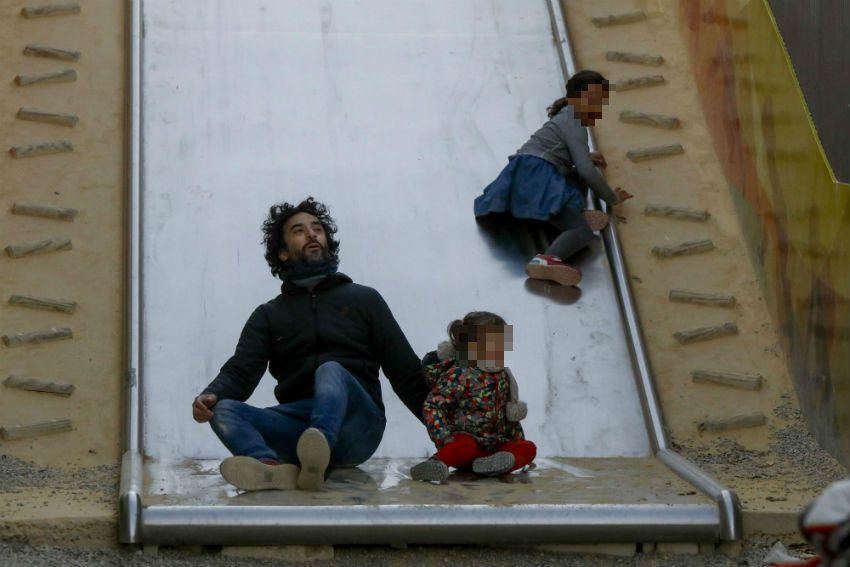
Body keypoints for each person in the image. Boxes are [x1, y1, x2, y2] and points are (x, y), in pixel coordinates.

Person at [192, 198, 429, 492]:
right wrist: (213, 394)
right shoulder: (269, 315)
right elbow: (242, 370)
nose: (312, 234)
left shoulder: (364, 300)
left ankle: (319, 446)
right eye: (299, 230)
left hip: (357, 426)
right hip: (298, 424)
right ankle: (270, 468)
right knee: (226, 411)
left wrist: (449, 435)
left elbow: (406, 372)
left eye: (317, 228)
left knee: (331, 370)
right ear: (282, 253)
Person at [474, 70, 633, 286]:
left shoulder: (566, 118)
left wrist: (585, 157)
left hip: (529, 173)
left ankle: (575, 211)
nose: (596, 106)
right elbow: (585, 170)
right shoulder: (574, 120)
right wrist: (611, 198)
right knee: (582, 233)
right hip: (538, 175)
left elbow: (565, 156)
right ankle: (547, 259)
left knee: (577, 170)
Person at [410, 311, 536, 483]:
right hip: (467, 445)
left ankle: (495, 464)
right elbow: (433, 405)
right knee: (465, 446)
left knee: (528, 448)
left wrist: (516, 438)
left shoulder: (503, 376)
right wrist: (444, 436)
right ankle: (436, 464)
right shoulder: (461, 374)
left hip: (495, 447)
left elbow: (508, 415)